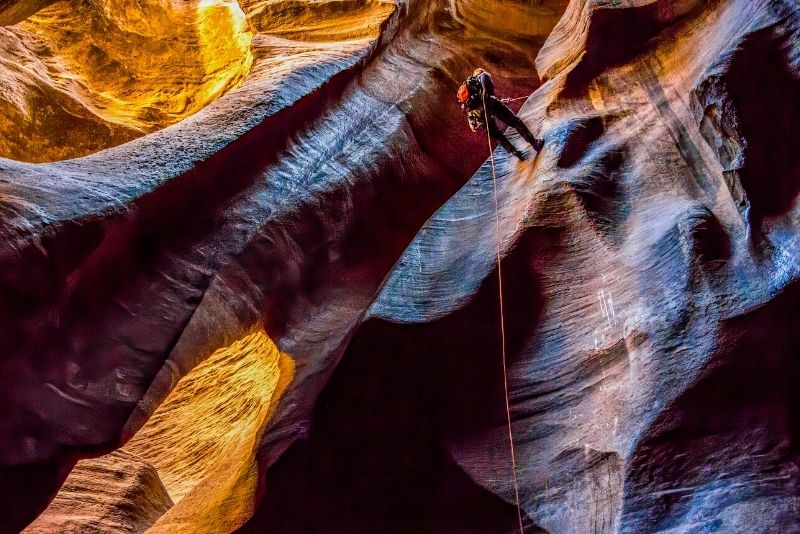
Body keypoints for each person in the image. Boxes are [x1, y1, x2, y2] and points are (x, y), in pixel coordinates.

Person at [457, 68, 543, 160]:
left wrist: (474, 124)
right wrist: (488, 95)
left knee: (497, 135)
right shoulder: (482, 76)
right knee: (516, 122)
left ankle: (515, 153)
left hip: (480, 116)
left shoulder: (469, 97)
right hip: (491, 104)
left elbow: (470, 113)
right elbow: (487, 89)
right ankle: (535, 144)